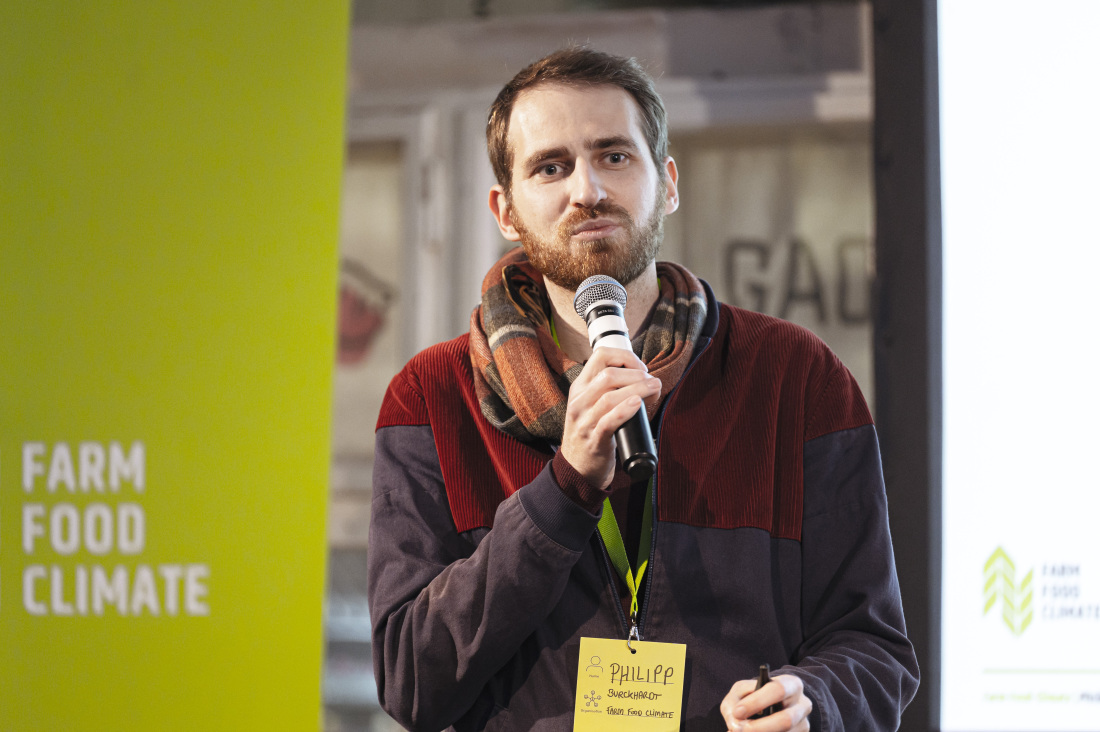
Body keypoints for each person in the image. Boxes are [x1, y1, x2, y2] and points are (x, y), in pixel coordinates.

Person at [367, 47, 919, 732]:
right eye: (551, 167)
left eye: (614, 157)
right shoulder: (429, 398)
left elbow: (875, 647)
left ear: (669, 181)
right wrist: (564, 489)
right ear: (505, 211)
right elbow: (412, 682)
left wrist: (817, 702)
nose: (587, 190)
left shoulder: (798, 378)